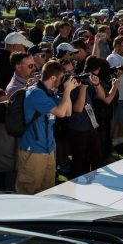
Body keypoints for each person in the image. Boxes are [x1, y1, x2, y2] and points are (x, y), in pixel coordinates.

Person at [16, 60, 78, 195]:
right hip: (33, 150)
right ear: (53, 78)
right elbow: (61, 112)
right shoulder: (36, 93)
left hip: (48, 148)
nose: (63, 81)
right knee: (29, 191)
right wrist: (67, 90)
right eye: (62, 77)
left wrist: (68, 91)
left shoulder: (48, 93)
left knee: (46, 190)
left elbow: (68, 112)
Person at [67, 57, 119, 178]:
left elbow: (102, 96)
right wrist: (84, 87)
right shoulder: (77, 82)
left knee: (96, 158)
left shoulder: (90, 79)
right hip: (78, 127)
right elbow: (78, 109)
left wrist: (96, 84)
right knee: (79, 161)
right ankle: (76, 187)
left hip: (91, 125)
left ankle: (93, 182)